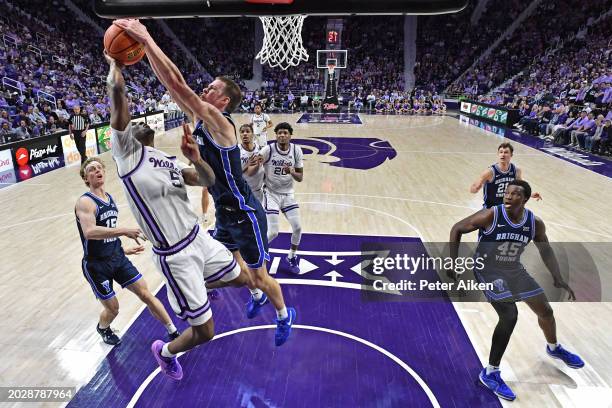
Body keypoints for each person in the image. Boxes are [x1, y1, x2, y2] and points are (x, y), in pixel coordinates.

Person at [113, 19, 296, 347]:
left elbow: (180, 85)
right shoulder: (201, 120)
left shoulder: (221, 124)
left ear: (223, 102)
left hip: (244, 210)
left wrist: (146, 38)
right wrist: (147, 52)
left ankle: (284, 314)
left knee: (258, 274)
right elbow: (173, 86)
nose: (205, 90)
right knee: (231, 270)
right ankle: (253, 294)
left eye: (212, 89)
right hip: (224, 211)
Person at [105, 51, 251, 380]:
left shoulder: (165, 159)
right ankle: (166, 352)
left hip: (199, 238)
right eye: (134, 121)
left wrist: (196, 158)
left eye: (144, 121)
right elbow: (117, 95)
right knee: (205, 332)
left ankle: (193, 285)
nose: (140, 121)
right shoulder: (127, 155)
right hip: (175, 255)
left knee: (242, 278)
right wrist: (116, 64)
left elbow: (207, 180)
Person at [449, 180, 584, 402]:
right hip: (488, 271)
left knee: (546, 311)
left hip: (514, 270)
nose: (509, 196)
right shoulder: (491, 215)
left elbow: (546, 249)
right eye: (507, 193)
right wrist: (452, 262)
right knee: (510, 315)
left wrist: (557, 277)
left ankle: (554, 347)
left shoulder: (534, 223)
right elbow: (457, 229)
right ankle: (490, 373)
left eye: (515, 194)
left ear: (525, 199)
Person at [75, 157, 180, 346]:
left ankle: (173, 331)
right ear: (86, 178)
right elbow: (90, 232)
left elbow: (106, 233)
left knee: (146, 294)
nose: (97, 170)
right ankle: (103, 328)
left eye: (100, 167)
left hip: (118, 257)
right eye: (92, 169)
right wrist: (124, 230)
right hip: (96, 265)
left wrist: (124, 249)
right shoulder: (85, 202)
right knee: (113, 309)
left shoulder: (110, 199)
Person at [259, 122, 304, 274]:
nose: (282, 135)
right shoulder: (268, 149)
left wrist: (291, 171)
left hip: (288, 194)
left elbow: (300, 178)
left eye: (285, 133)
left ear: (290, 135)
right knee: (273, 232)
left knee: (297, 228)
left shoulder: (296, 150)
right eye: (279, 133)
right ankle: (258, 254)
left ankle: (291, 256)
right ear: (276, 135)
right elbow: (255, 165)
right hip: (270, 193)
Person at [470, 142, 541, 208]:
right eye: (501, 152)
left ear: (511, 155)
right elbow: (473, 189)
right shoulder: (490, 172)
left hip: (508, 208)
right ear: (498, 154)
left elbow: (521, 187)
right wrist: (475, 188)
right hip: (491, 209)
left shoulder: (516, 170)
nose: (503, 154)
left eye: (506, 152)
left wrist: (530, 194)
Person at [239, 123, 265, 203]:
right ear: (240, 135)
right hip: (243, 192)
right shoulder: (236, 150)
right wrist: (247, 165)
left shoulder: (260, 149)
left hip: (258, 192)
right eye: (242, 132)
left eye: (247, 131)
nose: (245, 134)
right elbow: (234, 173)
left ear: (253, 134)